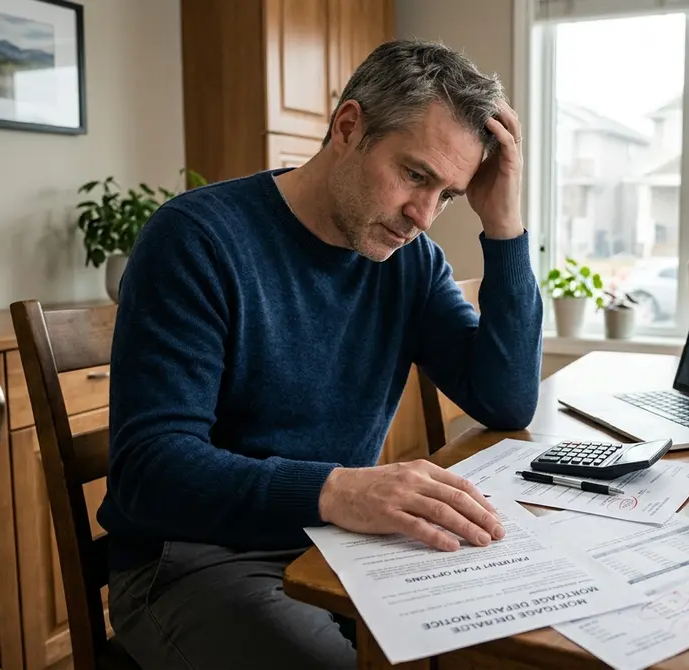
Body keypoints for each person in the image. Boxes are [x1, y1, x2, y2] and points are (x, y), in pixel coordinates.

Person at [99, 39, 543, 669]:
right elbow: (150, 472)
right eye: (415, 175)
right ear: (349, 126)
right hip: (192, 560)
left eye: (448, 195)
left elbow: (505, 400)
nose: (423, 215)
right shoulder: (196, 239)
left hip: (336, 544)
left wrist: (503, 227)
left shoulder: (409, 260)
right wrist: (336, 491)